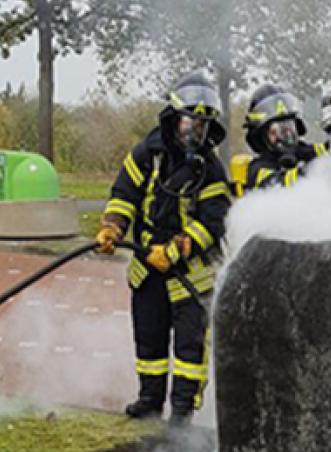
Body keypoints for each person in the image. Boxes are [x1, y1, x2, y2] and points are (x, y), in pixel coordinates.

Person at [96, 71, 231, 425]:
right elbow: (124, 195)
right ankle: (150, 399)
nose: (194, 132)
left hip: (191, 276)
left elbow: (213, 222)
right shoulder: (146, 154)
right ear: (174, 119)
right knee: (149, 338)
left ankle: (182, 412)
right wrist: (112, 227)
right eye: (190, 123)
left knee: (189, 347)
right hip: (147, 270)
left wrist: (176, 249)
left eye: (202, 126)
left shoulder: (211, 170)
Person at [233, 84, 331, 196]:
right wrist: (315, 170)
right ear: (261, 136)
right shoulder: (257, 169)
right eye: (277, 131)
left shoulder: (303, 151)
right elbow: (276, 184)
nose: (287, 135)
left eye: (289, 127)